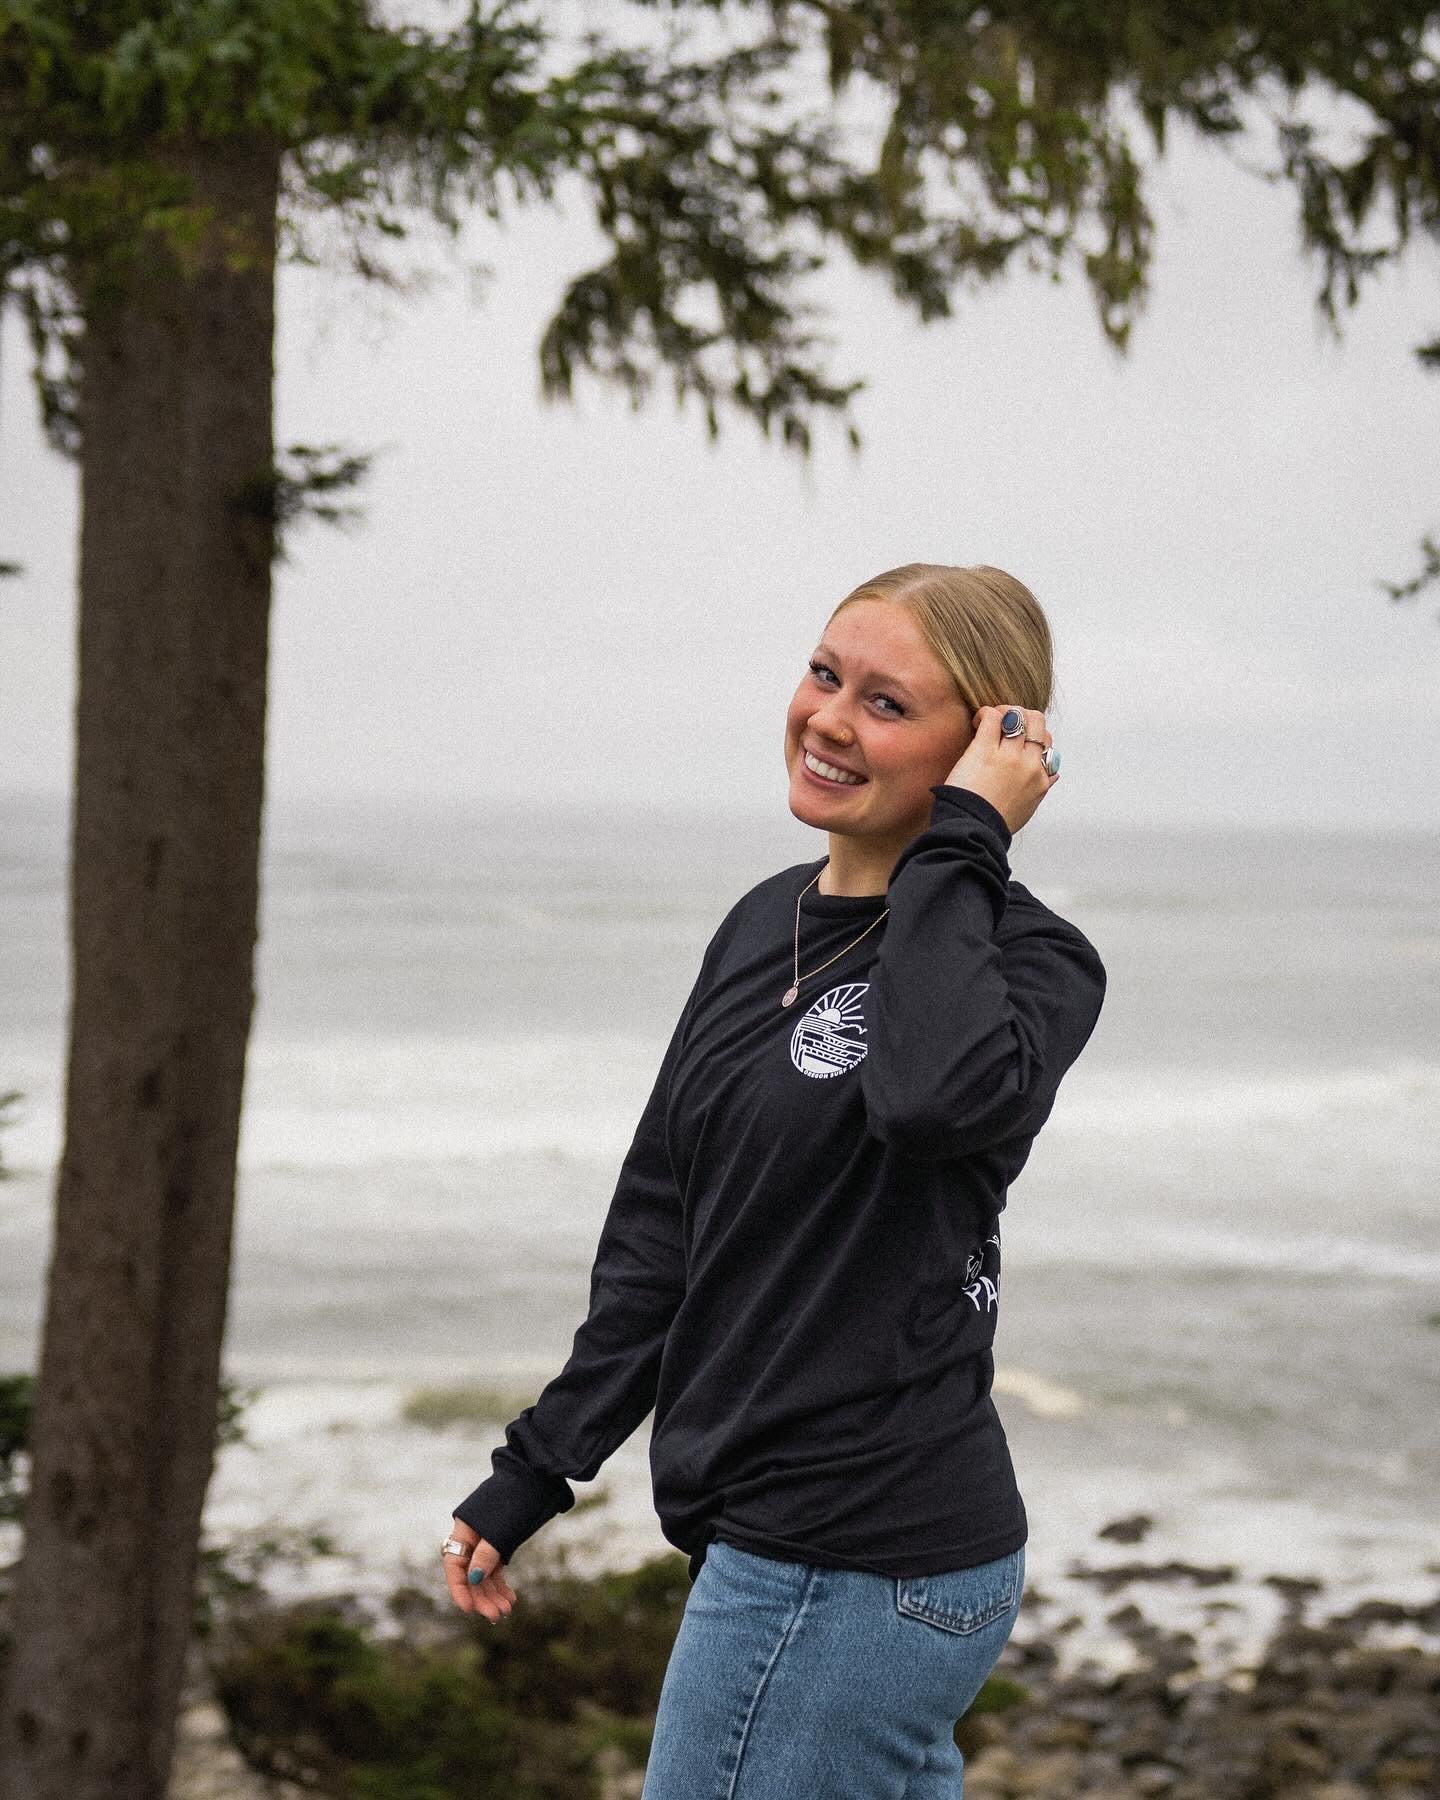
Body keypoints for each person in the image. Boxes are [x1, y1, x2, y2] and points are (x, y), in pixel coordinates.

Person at [439, 562, 1107, 1797]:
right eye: (823, 675)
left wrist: (967, 842)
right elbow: (666, 1229)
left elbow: (926, 1098)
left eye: (889, 703)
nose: (831, 720)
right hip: (784, 1534)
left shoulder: (1038, 964)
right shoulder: (762, 921)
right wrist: (540, 1464)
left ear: (988, 747)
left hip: (854, 1549)